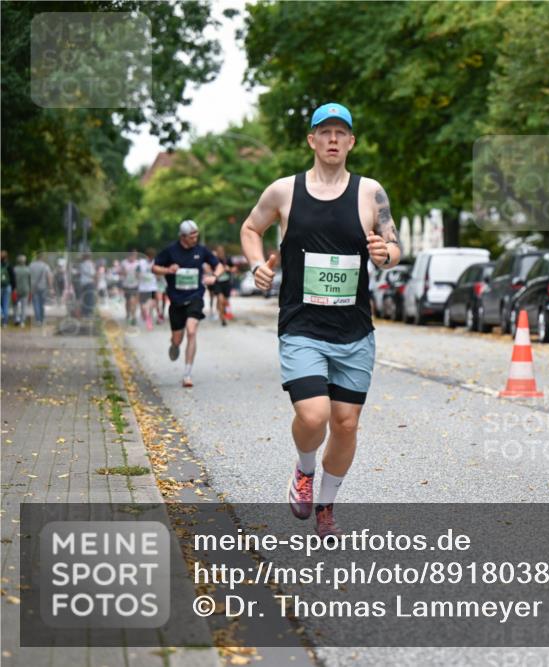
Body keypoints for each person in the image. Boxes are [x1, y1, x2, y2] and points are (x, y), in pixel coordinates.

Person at [240, 102, 400, 537]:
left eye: (340, 133)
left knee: (346, 424)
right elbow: (251, 228)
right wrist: (257, 264)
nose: (332, 139)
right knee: (313, 417)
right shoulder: (284, 192)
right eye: (324, 132)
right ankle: (304, 471)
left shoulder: (371, 193)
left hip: (354, 332)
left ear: (351, 142)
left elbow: (392, 244)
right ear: (311, 140)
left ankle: (326, 504)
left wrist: (387, 254)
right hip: (302, 327)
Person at [153, 220, 223, 387]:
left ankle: (187, 374)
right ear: (182, 237)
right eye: (192, 236)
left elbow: (219, 265)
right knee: (178, 339)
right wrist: (168, 270)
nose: (195, 238)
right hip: (176, 300)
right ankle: (174, 344)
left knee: (192, 331)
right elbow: (155, 268)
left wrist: (214, 276)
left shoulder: (201, 250)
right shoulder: (170, 251)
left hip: (195, 297)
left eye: (196, 235)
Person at [211, 245, 236, 326]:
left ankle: (223, 313)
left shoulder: (227, 259)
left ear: (223, 252)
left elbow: (234, 269)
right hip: (218, 283)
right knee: (220, 300)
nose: (220, 252)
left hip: (226, 282)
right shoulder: (214, 260)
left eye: (221, 251)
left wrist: (229, 269)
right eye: (218, 251)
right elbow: (210, 269)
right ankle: (223, 318)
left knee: (225, 302)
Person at [28, 254, 53, 327]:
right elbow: (49, 276)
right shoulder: (45, 266)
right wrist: (51, 287)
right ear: (42, 258)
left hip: (33, 287)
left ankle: (38, 320)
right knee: (42, 304)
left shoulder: (31, 265)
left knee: (36, 303)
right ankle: (42, 319)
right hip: (43, 287)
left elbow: (28, 276)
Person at [137, 249, 158, 331]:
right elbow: (137, 272)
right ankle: (147, 316)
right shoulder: (141, 263)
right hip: (145, 287)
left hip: (151, 287)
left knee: (149, 305)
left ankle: (148, 318)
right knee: (147, 306)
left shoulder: (155, 262)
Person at [120, 249, 142, 326]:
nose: (135, 256)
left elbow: (139, 273)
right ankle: (128, 314)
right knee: (128, 301)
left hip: (135, 285)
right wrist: (123, 273)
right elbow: (120, 272)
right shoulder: (124, 263)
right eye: (133, 255)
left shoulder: (137, 263)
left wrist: (138, 275)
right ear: (130, 255)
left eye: (136, 255)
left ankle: (133, 317)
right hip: (126, 285)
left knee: (133, 301)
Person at [13, 254, 30, 326]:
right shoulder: (28, 270)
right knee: (24, 306)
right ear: (25, 261)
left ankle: (16, 318)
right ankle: (22, 321)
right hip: (25, 289)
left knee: (15, 305)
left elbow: (12, 280)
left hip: (16, 289)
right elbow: (30, 280)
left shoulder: (14, 269)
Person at [1, 250, 14, 326]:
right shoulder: (9, 265)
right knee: (6, 304)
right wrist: (13, 287)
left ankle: (1, 314)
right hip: (7, 286)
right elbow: (12, 277)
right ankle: (5, 322)